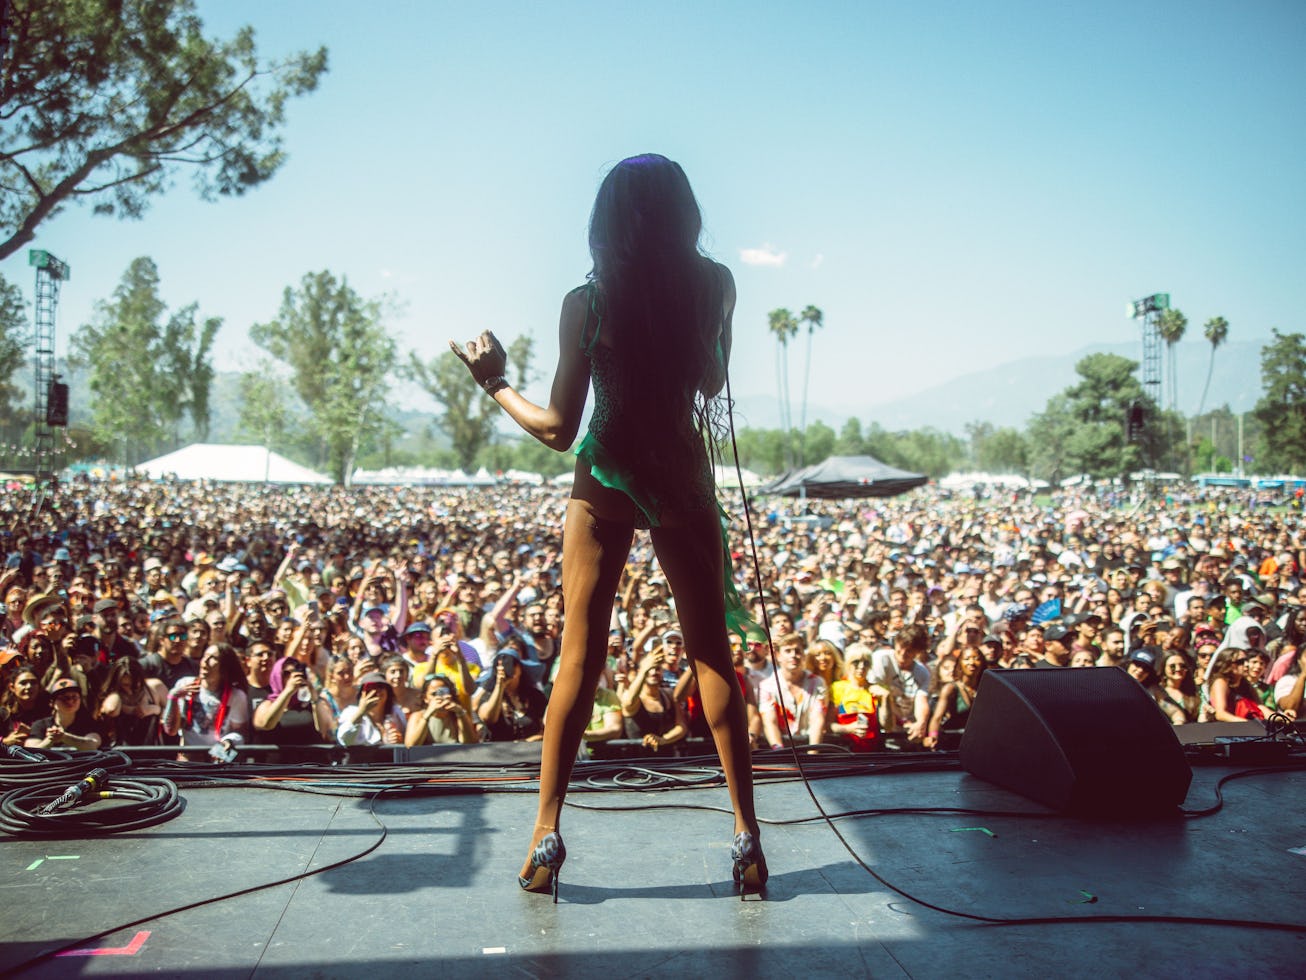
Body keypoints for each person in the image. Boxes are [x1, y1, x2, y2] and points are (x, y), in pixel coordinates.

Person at [451, 153, 763, 899]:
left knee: (579, 662)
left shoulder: (586, 303)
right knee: (711, 656)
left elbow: (560, 429)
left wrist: (493, 381)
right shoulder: (716, 285)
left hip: (606, 476)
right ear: (685, 213)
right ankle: (748, 839)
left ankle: (544, 838)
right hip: (683, 474)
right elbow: (713, 381)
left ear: (606, 220)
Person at [95, 657, 167, 746]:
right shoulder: (113, 696)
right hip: (120, 751)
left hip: (150, 751)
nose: (130, 691)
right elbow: (111, 711)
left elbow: (171, 716)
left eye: (135, 686)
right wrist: (128, 707)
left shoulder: (154, 688)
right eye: (125, 685)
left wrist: (155, 709)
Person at [924, 646, 985, 750]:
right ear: (960, 663)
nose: (972, 662)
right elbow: (937, 718)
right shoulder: (951, 689)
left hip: (977, 744)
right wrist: (933, 735)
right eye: (967, 659)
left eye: (976, 658)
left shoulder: (986, 688)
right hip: (953, 745)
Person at [26, 677, 102, 751]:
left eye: (74, 697)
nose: (70, 701)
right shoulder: (40, 725)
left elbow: (92, 745)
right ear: (52, 703)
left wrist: (64, 737)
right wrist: (50, 739)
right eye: (64, 698)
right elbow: (31, 752)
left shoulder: (88, 723)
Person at [405, 674, 479, 746]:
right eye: (434, 694)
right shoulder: (418, 716)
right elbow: (411, 745)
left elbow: (470, 743)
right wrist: (428, 714)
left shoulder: (458, 716)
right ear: (425, 698)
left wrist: (460, 713)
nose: (439, 697)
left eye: (443, 693)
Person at [336, 671, 405, 747]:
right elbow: (345, 740)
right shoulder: (350, 712)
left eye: (380, 686)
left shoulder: (396, 712)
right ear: (361, 693)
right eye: (370, 688)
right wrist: (361, 712)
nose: (376, 691)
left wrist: (400, 741)